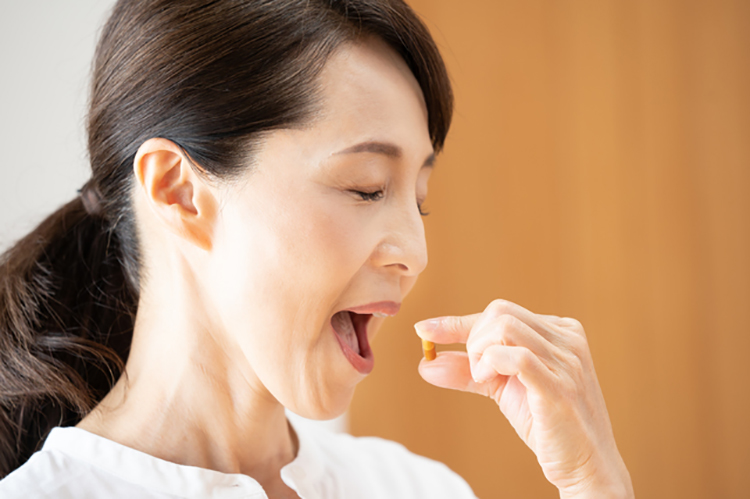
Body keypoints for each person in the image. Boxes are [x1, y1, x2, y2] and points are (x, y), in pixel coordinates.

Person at [0, 0, 634, 497]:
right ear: (178, 192)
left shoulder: (417, 489)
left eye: (419, 198)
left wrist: (592, 484)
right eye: (365, 189)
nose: (415, 251)